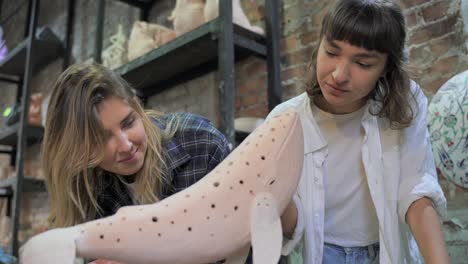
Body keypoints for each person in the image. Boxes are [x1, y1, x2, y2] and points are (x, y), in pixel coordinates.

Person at [269, 0, 449, 263]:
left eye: (363, 64)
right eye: (331, 52)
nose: (339, 75)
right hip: (321, 254)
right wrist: (269, 193)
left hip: (386, 249)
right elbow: (292, 223)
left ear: (386, 68)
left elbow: (416, 188)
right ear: (319, 44)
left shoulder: (406, 106)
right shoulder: (284, 120)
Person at [42, 63, 230, 263]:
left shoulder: (202, 144)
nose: (125, 146)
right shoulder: (86, 181)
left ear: (137, 107)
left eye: (128, 122)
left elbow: (235, 246)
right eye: (101, 139)